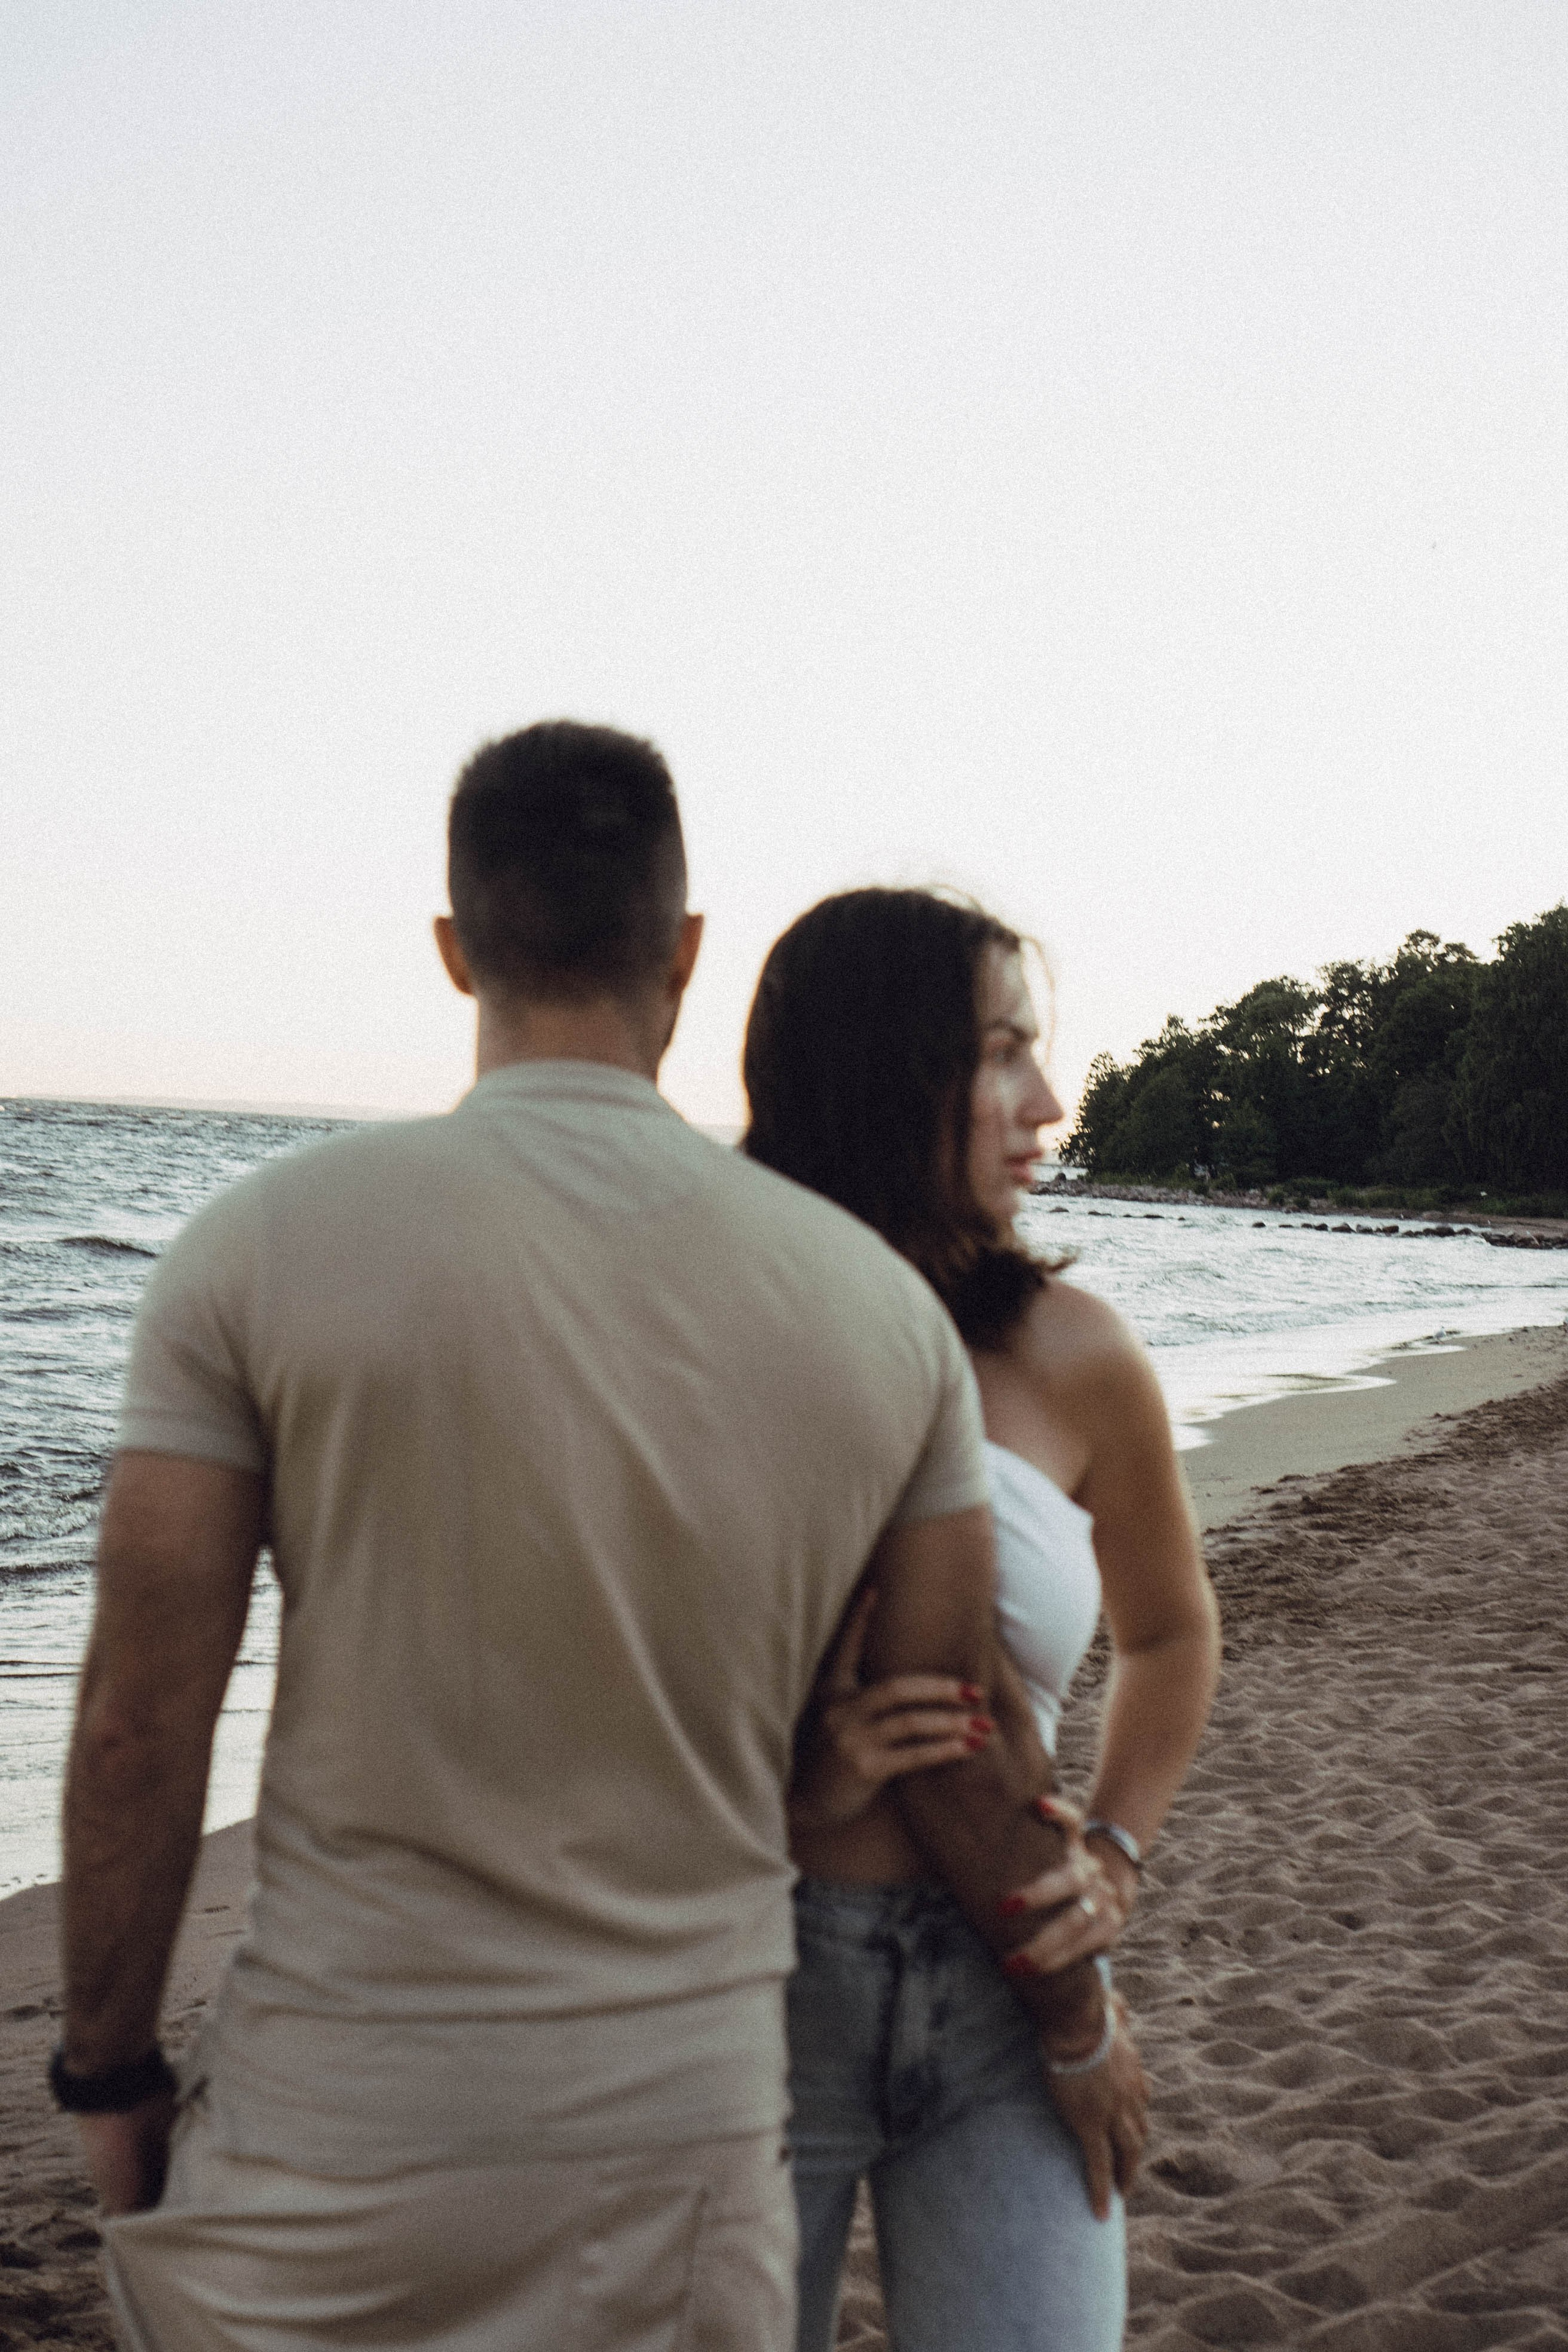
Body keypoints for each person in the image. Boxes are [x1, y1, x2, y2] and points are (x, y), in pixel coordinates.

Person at [57, 726, 1127, 2352]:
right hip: (678, 2144)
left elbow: (139, 1723)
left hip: (332, 2125)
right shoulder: (877, 1322)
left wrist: (113, 2068)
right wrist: (1070, 2010)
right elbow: (958, 1721)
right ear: (686, 954)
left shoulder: (255, 1250)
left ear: (453, 947)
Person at [742, 887, 1222, 2352]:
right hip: (748, 1992)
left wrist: (1119, 1852)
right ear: (888, 1076)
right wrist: (792, 1787)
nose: (1051, 1104)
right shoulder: (722, 1340)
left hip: (1006, 1982)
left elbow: (1170, 1633)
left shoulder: (1075, 1355)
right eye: (1002, 1056)